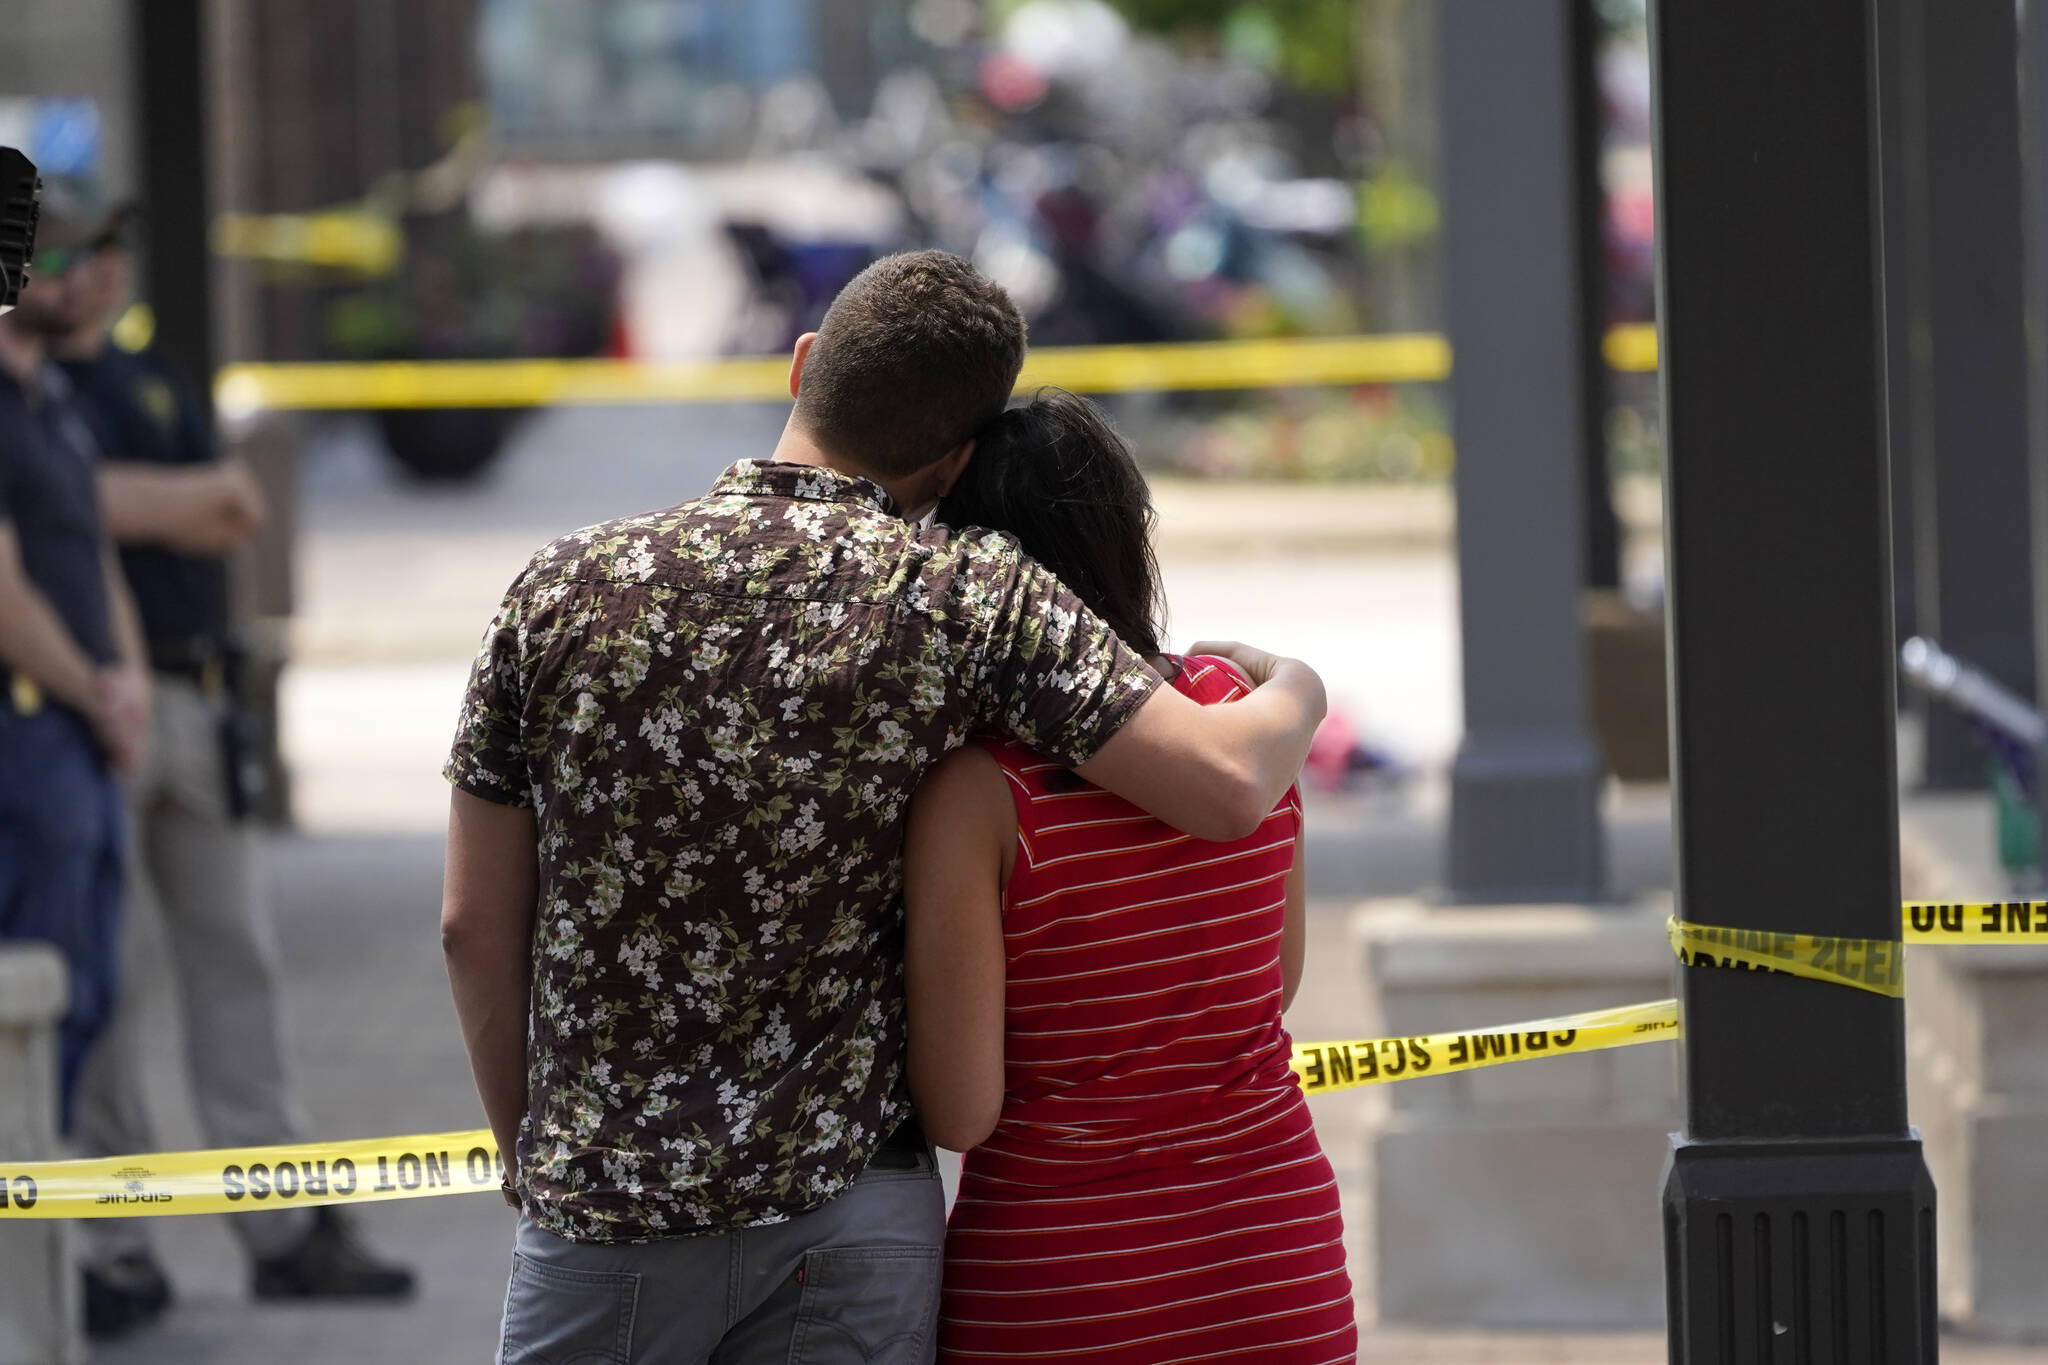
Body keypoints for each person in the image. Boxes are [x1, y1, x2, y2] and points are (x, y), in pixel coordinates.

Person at [440, 250, 1327, 1364]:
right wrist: (1298, 686)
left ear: (803, 364)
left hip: (605, 1211)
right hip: (849, 1218)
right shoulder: (963, 594)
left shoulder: (558, 586)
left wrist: (536, 1154)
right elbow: (1226, 784)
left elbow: (471, 924)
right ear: (954, 458)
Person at [905, 389, 1356, 1364]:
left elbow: (959, 1109)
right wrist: (1290, 677)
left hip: (1062, 1283)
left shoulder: (977, 794)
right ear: (1125, 540)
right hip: (1274, 1260)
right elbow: (1268, 990)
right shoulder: (1238, 719)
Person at [49, 206, 417, 1337]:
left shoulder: (148, 379)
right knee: (103, 985)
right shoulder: (29, 390)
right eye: (70, 251)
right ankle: (112, 1241)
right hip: (85, 699)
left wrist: (116, 506)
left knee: (236, 965)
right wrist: (153, 507)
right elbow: (74, 512)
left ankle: (282, 1227)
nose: (100, 271)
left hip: (195, 696)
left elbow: (236, 507)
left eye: (112, 248)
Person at [0, 191, 150, 1148]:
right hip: (30, 727)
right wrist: (96, 692)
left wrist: (126, 680)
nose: (66, 278)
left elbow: (92, 558)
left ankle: (46, 1274)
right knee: (35, 999)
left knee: (86, 993)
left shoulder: (48, 398)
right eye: (45, 261)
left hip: (82, 729)